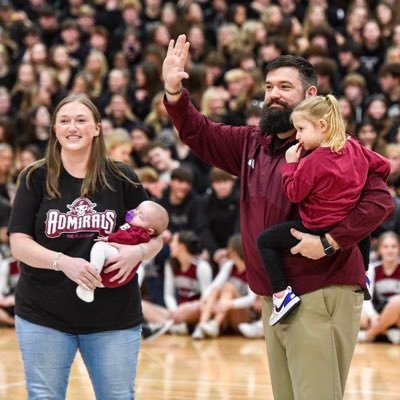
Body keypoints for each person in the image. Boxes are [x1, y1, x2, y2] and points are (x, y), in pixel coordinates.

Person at [162, 35, 394, 399]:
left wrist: (331, 242)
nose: (274, 94)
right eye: (269, 86)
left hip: (321, 289)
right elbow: (200, 133)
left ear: (311, 95)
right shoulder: (253, 142)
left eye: (285, 87)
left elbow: (381, 201)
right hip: (276, 296)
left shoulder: (338, 146)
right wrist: (175, 93)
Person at [8, 95, 163, 399]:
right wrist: (63, 262)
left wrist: (139, 253)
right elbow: (18, 243)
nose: (72, 127)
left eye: (81, 120)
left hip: (113, 316)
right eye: (64, 121)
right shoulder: (34, 177)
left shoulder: (122, 177)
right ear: (54, 129)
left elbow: (155, 234)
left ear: (97, 128)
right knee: (43, 396)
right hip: (44, 313)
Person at [256, 94, 390, 326]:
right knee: (362, 231)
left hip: (316, 225)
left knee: (265, 241)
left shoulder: (311, 161)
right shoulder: (356, 149)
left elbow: (294, 193)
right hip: (345, 220)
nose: (297, 136)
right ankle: (364, 276)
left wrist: (290, 165)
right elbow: (385, 165)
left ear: (322, 125)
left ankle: (281, 295)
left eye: (300, 129)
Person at [77, 200, 169, 302]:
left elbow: (128, 238)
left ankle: (87, 287)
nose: (134, 213)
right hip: (113, 267)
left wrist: (109, 237)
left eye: (140, 216)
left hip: (118, 267)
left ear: (149, 231)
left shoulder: (141, 233)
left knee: (100, 247)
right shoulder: (134, 224)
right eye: (137, 209)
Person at [192, 233, 257, 340]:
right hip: (225, 311)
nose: (227, 250)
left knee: (228, 287)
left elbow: (251, 299)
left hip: (246, 315)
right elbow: (215, 285)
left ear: (235, 250)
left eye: (229, 248)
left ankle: (214, 324)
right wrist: (205, 299)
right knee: (215, 290)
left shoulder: (252, 269)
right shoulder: (229, 265)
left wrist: (230, 304)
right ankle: (203, 325)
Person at [358, 231, 400, 344]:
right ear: (380, 250)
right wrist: (373, 316)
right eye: (385, 247)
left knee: (397, 301)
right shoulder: (372, 269)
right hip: (378, 311)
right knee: (358, 316)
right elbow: (366, 298)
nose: (390, 250)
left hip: (397, 311)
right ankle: (388, 331)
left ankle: (369, 335)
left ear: (399, 249)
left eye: (393, 246)